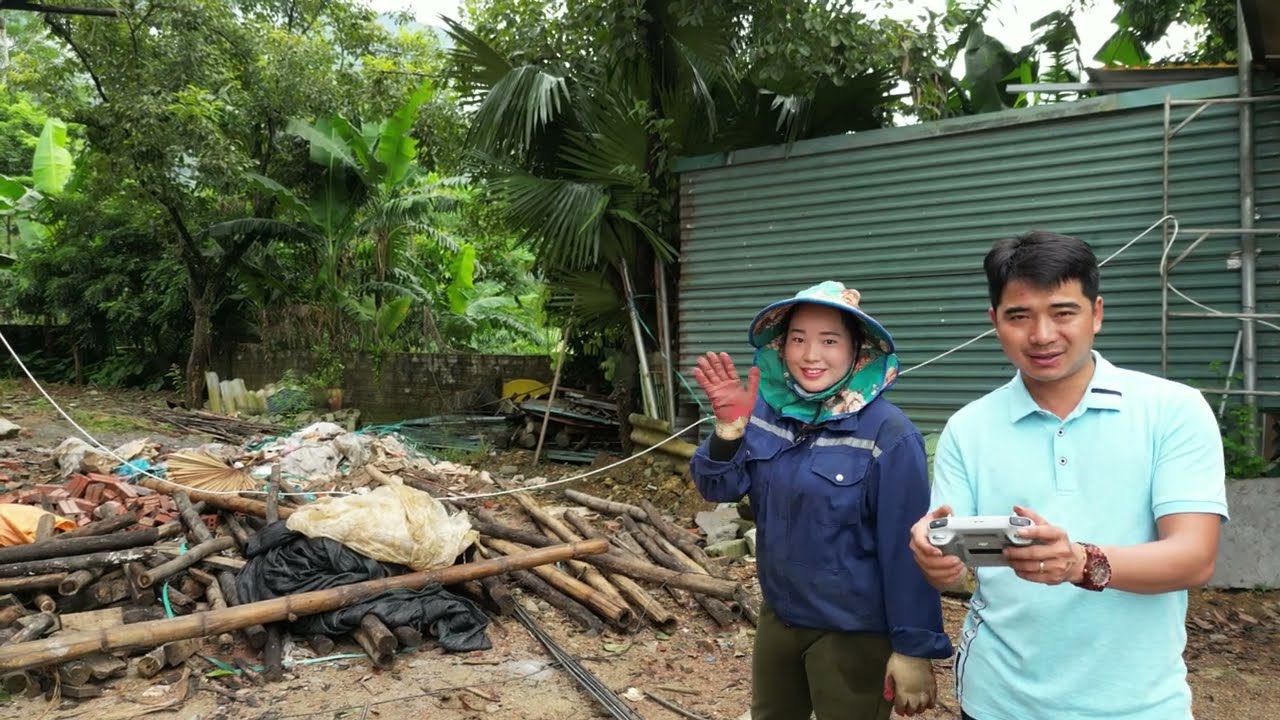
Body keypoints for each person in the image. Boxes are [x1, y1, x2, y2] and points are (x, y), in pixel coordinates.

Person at [909, 231, 1229, 720]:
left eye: (1063, 312)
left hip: (1138, 704)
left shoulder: (1173, 410)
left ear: (1096, 313)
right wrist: (935, 559)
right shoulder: (968, 427)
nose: (1041, 335)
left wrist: (1082, 562)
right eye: (1019, 316)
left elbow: (1194, 557)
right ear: (995, 322)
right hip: (998, 699)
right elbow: (951, 551)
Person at [689, 280, 953, 720]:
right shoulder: (767, 412)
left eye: (829, 341)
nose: (811, 356)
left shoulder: (889, 434)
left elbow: (907, 550)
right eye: (798, 339)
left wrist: (913, 647)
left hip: (854, 632)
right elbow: (719, 488)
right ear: (781, 345)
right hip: (780, 618)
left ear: (857, 350)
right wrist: (729, 430)